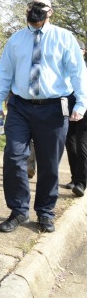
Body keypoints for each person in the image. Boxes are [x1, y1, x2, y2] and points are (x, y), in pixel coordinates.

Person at [0, 0, 87, 234]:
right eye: (31, 5)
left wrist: (82, 103)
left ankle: (45, 212)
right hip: (20, 107)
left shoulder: (64, 38)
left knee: (49, 164)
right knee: (13, 156)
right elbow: (4, 74)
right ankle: (19, 210)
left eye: (40, 6)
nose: (34, 10)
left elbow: (78, 72)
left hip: (54, 108)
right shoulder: (15, 40)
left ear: (50, 11)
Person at [64, 39, 87, 197]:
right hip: (68, 108)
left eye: (79, 49)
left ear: (84, 51)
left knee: (82, 145)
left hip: (85, 110)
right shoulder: (66, 67)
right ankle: (74, 178)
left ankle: (81, 183)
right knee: (70, 144)